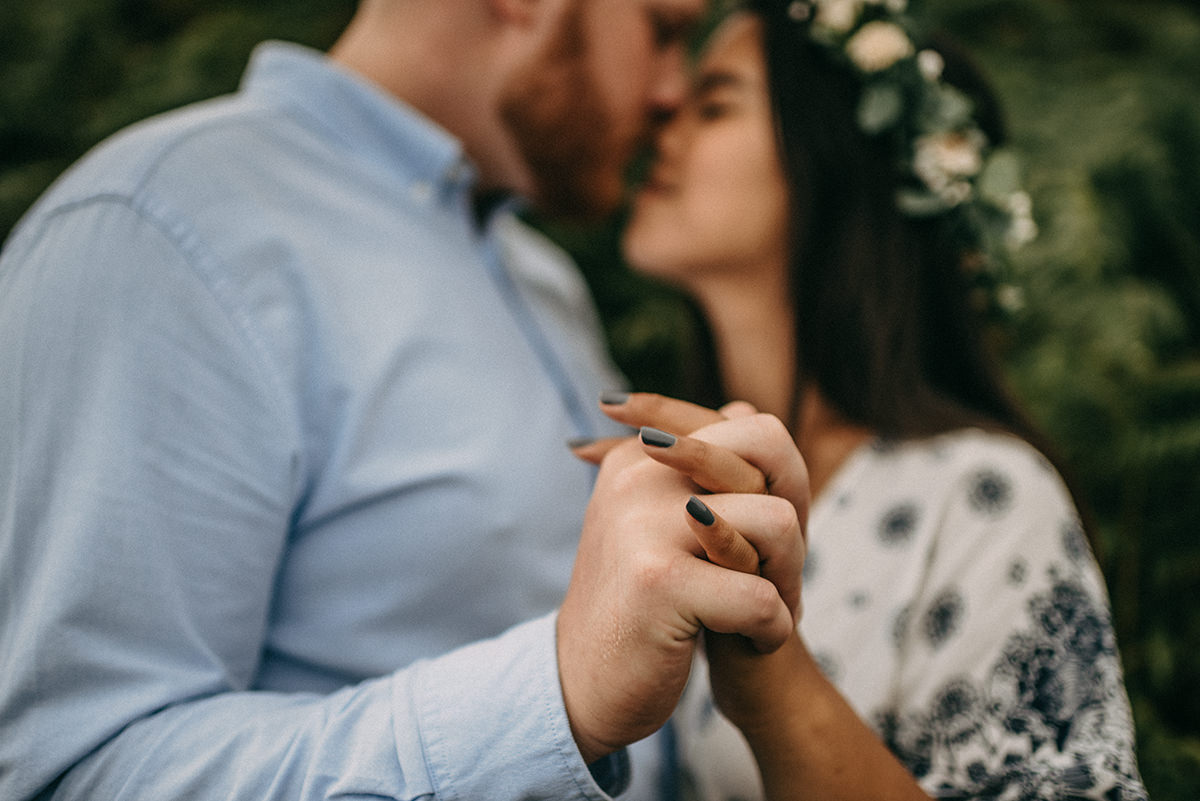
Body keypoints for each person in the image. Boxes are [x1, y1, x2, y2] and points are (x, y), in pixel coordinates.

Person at [0, 1, 813, 799]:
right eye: (663, 30)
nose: (672, 88)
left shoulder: (543, 281)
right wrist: (555, 695)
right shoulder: (158, 229)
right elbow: (69, 769)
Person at [607, 0, 1150, 798]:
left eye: (714, 103)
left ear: (835, 157)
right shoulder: (665, 489)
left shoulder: (982, 497)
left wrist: (771, 678)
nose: (663, 122)